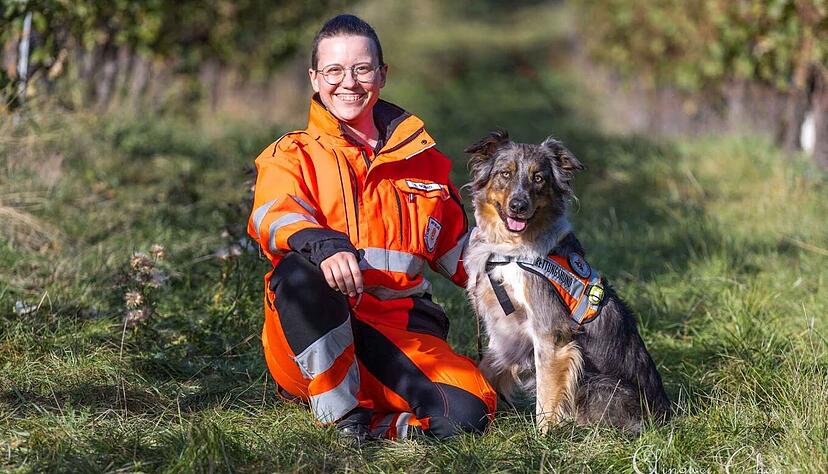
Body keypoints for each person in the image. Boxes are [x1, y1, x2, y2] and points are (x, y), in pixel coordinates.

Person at [247, 14, 495, 441]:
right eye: (334, 71)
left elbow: (464, 255)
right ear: (314, 77)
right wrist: (323, 244)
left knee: (468, 414)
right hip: (311, 337)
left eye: (362, 69)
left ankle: (379, 425)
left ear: (382, 74)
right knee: (297, 270)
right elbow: (273, 214)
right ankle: (343, 421)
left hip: (400, 336)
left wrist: (541, 266)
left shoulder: (423, 163)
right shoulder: (291, 154)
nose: (349, 83)